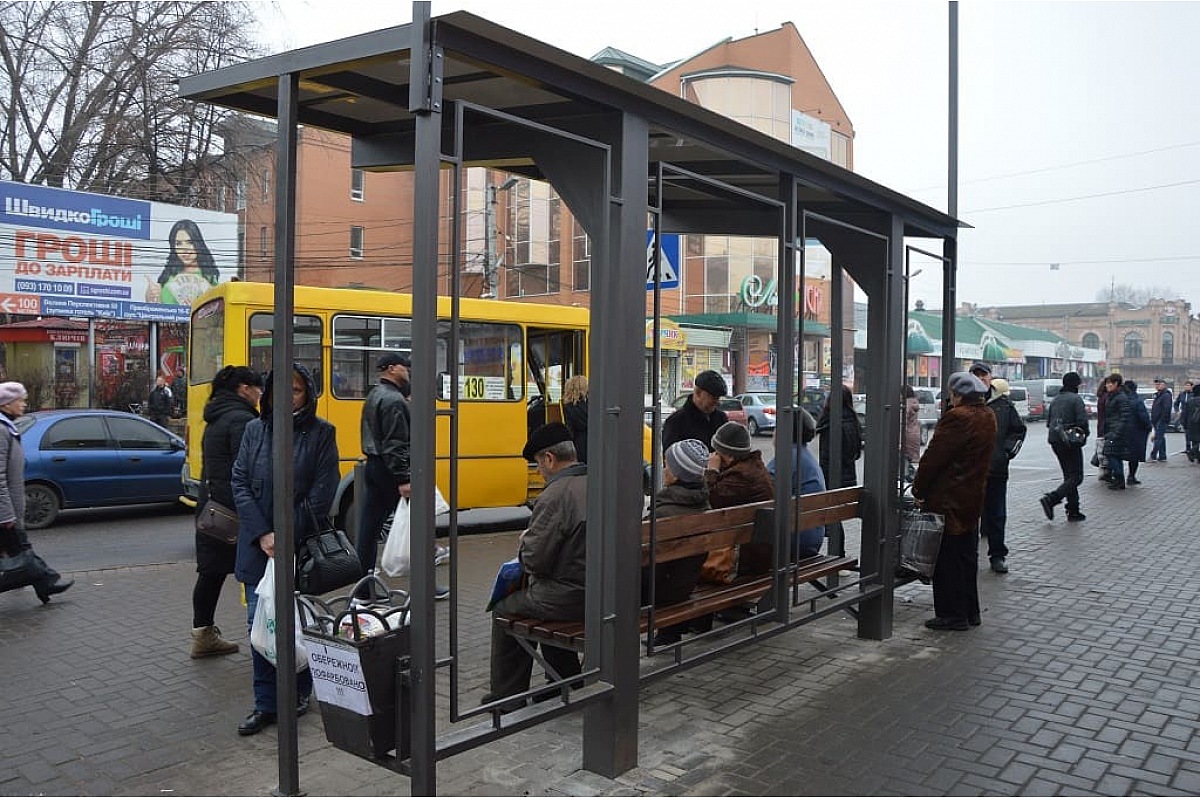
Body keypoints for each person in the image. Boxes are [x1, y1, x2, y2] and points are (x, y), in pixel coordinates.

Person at [231, 364, 339, 736]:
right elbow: (239, 482)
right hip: (258, 546)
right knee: (259, 625)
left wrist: (285, 533)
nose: (287, 397)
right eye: (280, 389)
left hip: (299, 547)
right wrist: (264, 533)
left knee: (295, 624)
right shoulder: (254, 430)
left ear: (308, 393)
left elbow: (322, 494)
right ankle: (265, 703)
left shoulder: (322, 433)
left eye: (295, 390)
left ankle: (299, 692)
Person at [484, 423, 587, 710]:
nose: (539, 471)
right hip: (605, 592)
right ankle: (564, 680)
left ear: (550, 459)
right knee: (544, 602)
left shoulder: (555, 496)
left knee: (505, 608)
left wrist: (525, 541)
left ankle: (508, 696)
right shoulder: (600, 482)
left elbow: (534, 561)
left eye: (538, 464)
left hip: (572, 597)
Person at [911, 371, 995, 631]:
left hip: (948, 499)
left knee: (947, 559)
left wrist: (919, 489)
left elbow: (934, 458)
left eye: (951, 394)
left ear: (957, 394)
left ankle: (952, 615)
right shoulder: (987, 416)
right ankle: (970, 612)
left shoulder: (958, 418)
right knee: (967, 557)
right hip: (971, 498)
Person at [190, 366, 262, 659]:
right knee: (256, 573)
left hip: (212, 509)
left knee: (211, 573)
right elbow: (247, 470)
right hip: (235, 510)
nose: (260, 394)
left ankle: (203, 635)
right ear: (245, 389)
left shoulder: (216, 417)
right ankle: (263, 637)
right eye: (257, 388)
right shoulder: (243, 420)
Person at [0, 382, 73, 604]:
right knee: (21, 553)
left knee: (23, 550)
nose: (24, 404)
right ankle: (45, 581)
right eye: (20, 400)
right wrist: (6, 515)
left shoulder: (8, 427)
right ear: (6, 404)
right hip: (5, 512)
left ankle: (46, 583)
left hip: (10, 509)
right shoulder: (1, 430)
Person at [643, 438, 711, 646]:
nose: (664, 470)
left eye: (667, 466)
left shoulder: (663, 514)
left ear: (676, 474)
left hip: (657, 593)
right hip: (684, 585)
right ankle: (668, 634)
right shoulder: (704, 505)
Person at [766, 407, 826, 559]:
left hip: (793, 543)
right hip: (811, 538)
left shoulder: (786, 457)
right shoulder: (804, 455)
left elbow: (763, 491)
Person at [981, 378, 1026, 575]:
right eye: (977, 375)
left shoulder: (1005, 407)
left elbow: (1018, 431)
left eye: (984, 375)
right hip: (971, 471)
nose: (981, 379)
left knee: (997, 513)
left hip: (996, 469)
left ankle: (997, 555)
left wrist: (1006, 452)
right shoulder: (969, 402)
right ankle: (966, 556)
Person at [816, 385, 862, 558]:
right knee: (835, 518)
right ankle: (838, 553)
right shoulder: (853, 420)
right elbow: (856, 453)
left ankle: (837, 555)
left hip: (832, 478)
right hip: (848, 477)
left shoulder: (831, 422)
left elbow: (827, 457)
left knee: (831, 518)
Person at [1039, 372, 1089, 523]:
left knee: (1069, 476)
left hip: (1055, 441)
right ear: (1076, 384)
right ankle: (1052, 498)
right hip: (1070, 441)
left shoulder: (1056, 399)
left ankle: (1073, 510)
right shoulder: (1076, 399)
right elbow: (1082, 422)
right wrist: (1083, 435)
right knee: (1076, 476)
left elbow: (1049, 422)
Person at [146, 219, 220, 305]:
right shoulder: (168, 276)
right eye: (178, 243)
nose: (184, 249)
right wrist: (151, 298)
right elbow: (158, 308)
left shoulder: (210, 277)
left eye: (190, 242)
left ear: (198, 243)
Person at [661, 370, 728, 452]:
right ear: (698, 392)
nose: (718, 402)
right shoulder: (676, 422)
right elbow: (670, 457)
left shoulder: (721, 419)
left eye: (718, 398)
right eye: (713, 397)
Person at [1100, 373, 1132, 490]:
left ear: (1116, 384)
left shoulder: (1121, 397)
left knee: (1110, 454)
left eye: (1110, 383)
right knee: (1115, 455)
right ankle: (1119, 481)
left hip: (1117, 431)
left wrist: (1117, 432)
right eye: (1107, 383)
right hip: (1112, 430)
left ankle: (1119, 479)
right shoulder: (1112, 396)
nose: (1107, 385)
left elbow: (1124, 416)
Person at [1123, 380, 1151, 485]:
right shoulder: (1137, 401)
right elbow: (1143, 417)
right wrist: (1148, 427)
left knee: (1118, 455)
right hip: (1136, 432)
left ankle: (1117, 476)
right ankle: (1131, 476)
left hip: (1121, 431)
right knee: (1134, 456)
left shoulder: (1120, 399)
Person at [561, 374, 589, 463]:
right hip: (591, 443)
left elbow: (570, 430)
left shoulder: (567, 407)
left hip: (578, 444)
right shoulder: (592, 405)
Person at [1148, 377, 1172, 462]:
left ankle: (1153, 455)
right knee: (1161, 438)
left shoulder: (1166, 395)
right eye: (1156, 384)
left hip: (1161, 420)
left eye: (1159, 384)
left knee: (1158, 438)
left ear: (1164, 385)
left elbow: (1167, 408)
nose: (1157, 386)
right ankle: (1162, 456)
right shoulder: (1158, 395)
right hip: (1156, 420)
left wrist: (1162, 419)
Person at [901, 385, 922, 482]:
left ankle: (909, 479)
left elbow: (902, 422)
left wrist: (899, 440)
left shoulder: (906, 405)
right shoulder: (914, 403)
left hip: (907, 435)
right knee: (910, 459)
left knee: (904, 458)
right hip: (915, 433)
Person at [1186, 383, 1200, 463]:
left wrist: (1185, 424)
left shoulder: (1190, 401)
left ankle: (1197, 456)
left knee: (1195, 440)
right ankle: (1192, 452)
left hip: (1192, 423)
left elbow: (1185, 413)